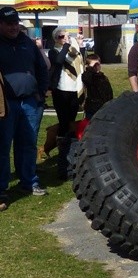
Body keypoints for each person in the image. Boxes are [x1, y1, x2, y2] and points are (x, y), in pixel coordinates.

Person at [0, 6, 50, 208]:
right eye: (9, 24)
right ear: (0, 24)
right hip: (6, 105)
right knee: (2, 147)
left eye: (16, 23)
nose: (14, 27)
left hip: (30, 102)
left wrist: (42, 92)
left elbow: (42, 68)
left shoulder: (27, 43)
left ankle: (28, 182)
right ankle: (2, 188)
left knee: (28, 144)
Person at [48, 28, 85, 179]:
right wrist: (65, 46)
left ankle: (73, 157)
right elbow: (58, 61)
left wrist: (81, 46)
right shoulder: (54, 51)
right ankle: (63, 164)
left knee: (71, 123)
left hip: (74, 89)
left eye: (67, 36)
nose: (65, 39)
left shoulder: (74, 50)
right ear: (56, 38)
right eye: (61, 36)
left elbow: (83, 62)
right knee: (63, 124)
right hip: (61, 90)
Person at [81, 53, 113, 118]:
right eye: (94, 65)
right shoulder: (88, 76)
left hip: (104, 106)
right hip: (92, 107)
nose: (96, 67)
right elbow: (87, 79)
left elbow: (108, 92)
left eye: (98, 64)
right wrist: (90, 69)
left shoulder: (103, 77)